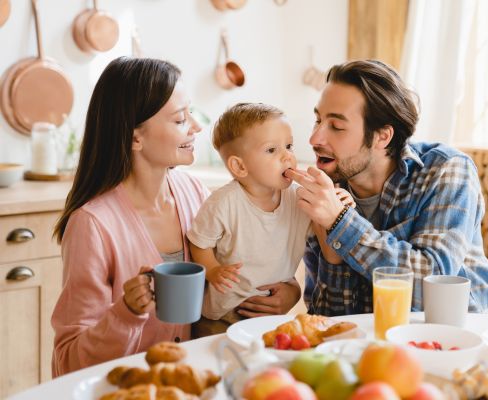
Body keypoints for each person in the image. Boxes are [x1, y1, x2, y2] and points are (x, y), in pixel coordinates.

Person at [284, 59, 488, 316]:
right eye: (318, 120)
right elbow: (331, 322)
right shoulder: (325, 191)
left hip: (465, 343)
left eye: (336, 126)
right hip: (379, 349)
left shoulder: (446, 169)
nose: (314, 139)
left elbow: (432, 286)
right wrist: (332, 259)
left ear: (382, 136)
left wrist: (341, 224)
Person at [50, 57, 211, 377]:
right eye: (180, 119)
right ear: (135, 136)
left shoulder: (195, 193)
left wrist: (283, 291)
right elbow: (69, 359)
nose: (196, 126)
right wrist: (126, 313)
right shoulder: (92, 225)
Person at [187, 103, 353, 336]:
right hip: (223, 314)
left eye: (288, 146)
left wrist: (336, 212)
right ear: (240, 166)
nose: (288, 156)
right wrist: (213, 270)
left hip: (271, 314)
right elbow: (199, 241)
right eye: (272, 150)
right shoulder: (222, 203)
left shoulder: (298, 198)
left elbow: (330, 252)